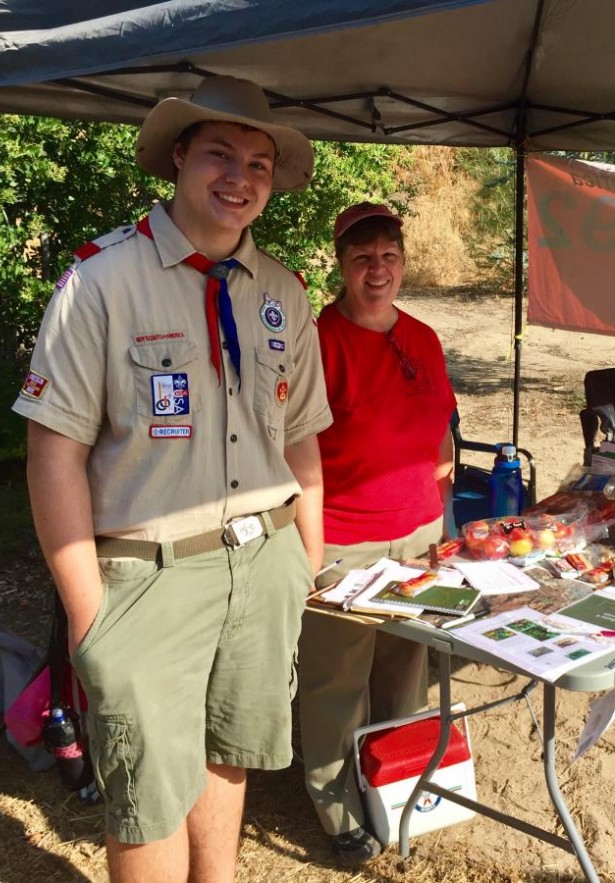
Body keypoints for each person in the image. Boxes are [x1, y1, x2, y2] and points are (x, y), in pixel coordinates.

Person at [13, 75, 332, 883]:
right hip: (145, 579)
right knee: (147, 795)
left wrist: (305, 561)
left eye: (259, 163)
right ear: (180, 157)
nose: (240, 177)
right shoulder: (101, 281)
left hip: (262, 565)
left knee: (228, 753)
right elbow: (54, 453)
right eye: (220, 153)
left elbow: (300, 440)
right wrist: (89, 616)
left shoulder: (284, 294)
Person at [298, 202, 456, 866]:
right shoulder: (319, 340)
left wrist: (441, 515)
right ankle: (334, 802)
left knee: (406, 666)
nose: (377, 270)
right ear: (340, 265)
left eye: (388, 256)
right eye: (362, 258)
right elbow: (295, 448)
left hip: (417, 533)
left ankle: (397, 779)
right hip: (345, 541)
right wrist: (308, 552)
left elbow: (443, 429)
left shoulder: (421, 335)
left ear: (402, 261)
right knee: (336, 677)